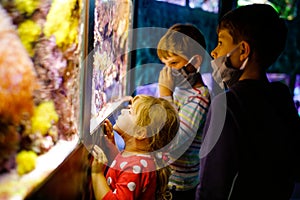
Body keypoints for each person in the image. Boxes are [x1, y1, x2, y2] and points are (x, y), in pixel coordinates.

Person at [196, 4, 300, 200]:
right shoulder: (281, 97)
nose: (214, 52)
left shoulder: (228, 104)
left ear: (243, 50)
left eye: (220, 42)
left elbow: (212, 186)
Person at [157, 23, 211, 199]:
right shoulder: (179, 89)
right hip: (165, 179)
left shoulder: (199, 98)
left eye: (173, 63)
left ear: (194, 62)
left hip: (179, 187)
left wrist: (165, 96)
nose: (167, 71)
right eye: (164, 64)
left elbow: (175, 145)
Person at [91, 95, 180, 200]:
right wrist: (113, 149)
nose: (123, 110)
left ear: (140, 132)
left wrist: (97, 174)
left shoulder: (135, 168)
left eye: (130, 112)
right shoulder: (138, 159)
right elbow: (121, 173)